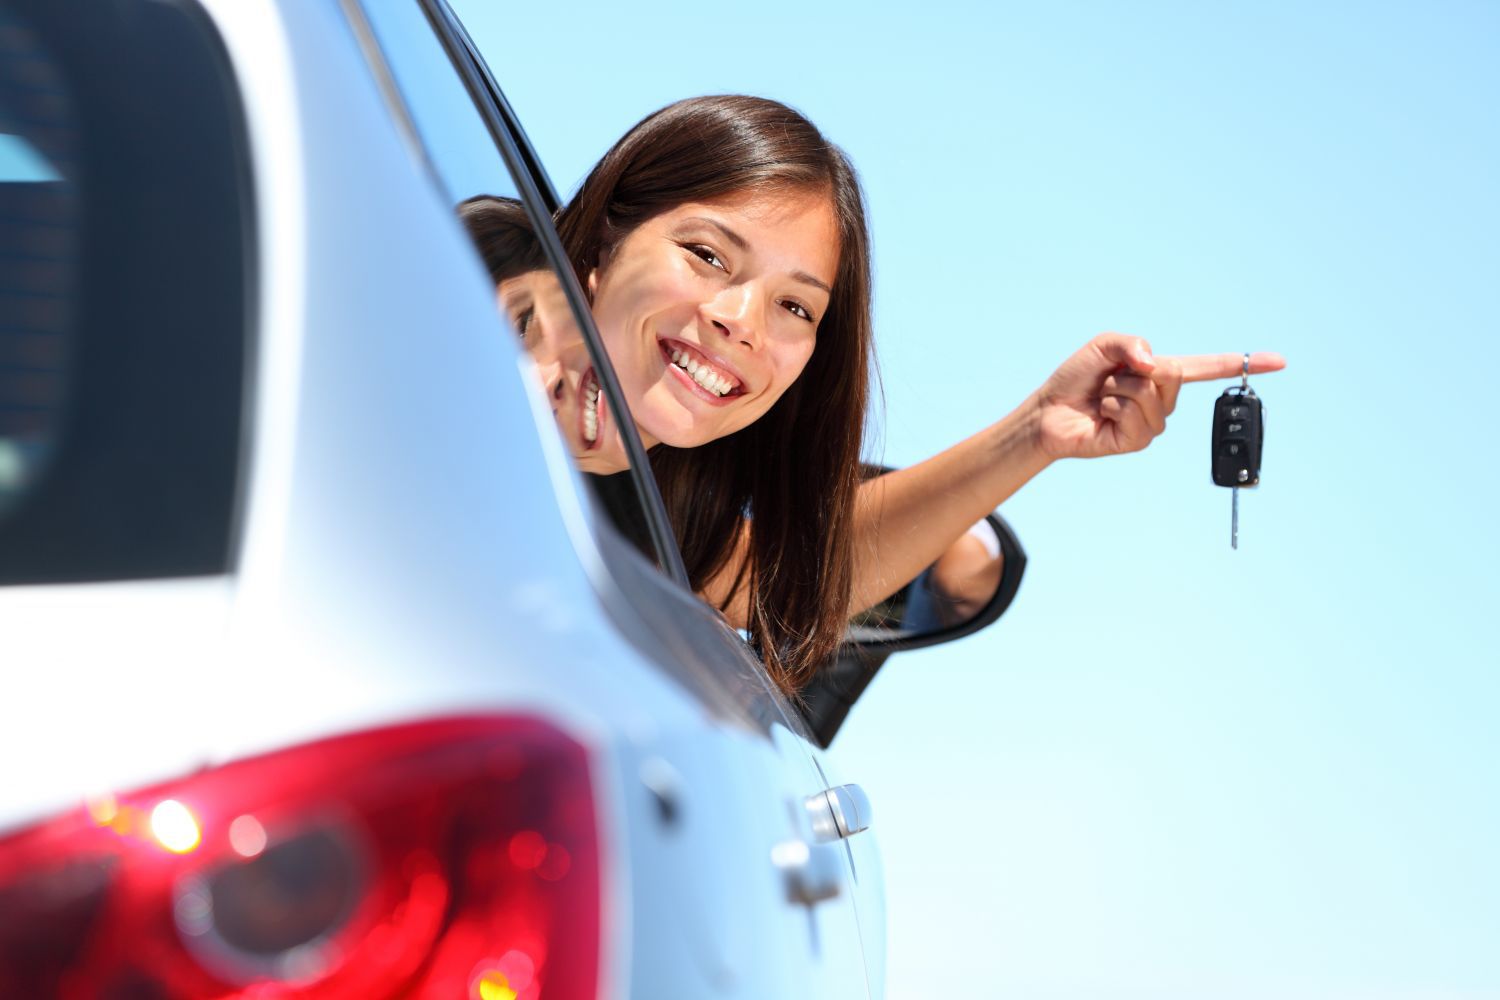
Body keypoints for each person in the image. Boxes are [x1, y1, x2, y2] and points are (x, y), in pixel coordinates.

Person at [462, 97, 1285, 692]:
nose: (741, 321)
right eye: (708, 255)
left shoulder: (656, 518)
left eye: (795, 306)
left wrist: (1039, 431)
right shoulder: (461, 287)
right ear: (603, 243)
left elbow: (802, 579)